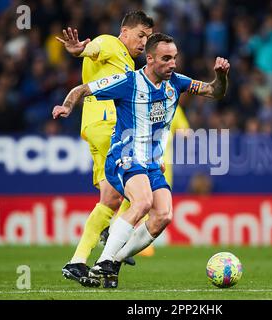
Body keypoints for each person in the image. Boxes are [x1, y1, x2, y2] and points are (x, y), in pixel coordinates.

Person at [52, 33, 230, 288]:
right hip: (124, 155)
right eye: (166, 59)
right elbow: (82, 89)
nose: (173, 64)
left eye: (175, 58)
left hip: (151, 163)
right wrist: (67, 107)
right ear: (150, 59)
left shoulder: (176, 83)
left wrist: (221, 76)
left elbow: (214, 91)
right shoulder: (128, 82)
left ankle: (114, 260)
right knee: (143, 201)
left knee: (164, 215)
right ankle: (103, 261)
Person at [56, 11, 154, 287]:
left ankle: (77, 261)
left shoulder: (128, 65)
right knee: (140, 185)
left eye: (148, 38)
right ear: (125, 32)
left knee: (109, 200)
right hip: (108, 127)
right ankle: (113, 234)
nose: (144, 42)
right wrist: (80, 49)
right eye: (141, 35)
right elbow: (93, 49)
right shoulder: (111, 43)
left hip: (96, 128)